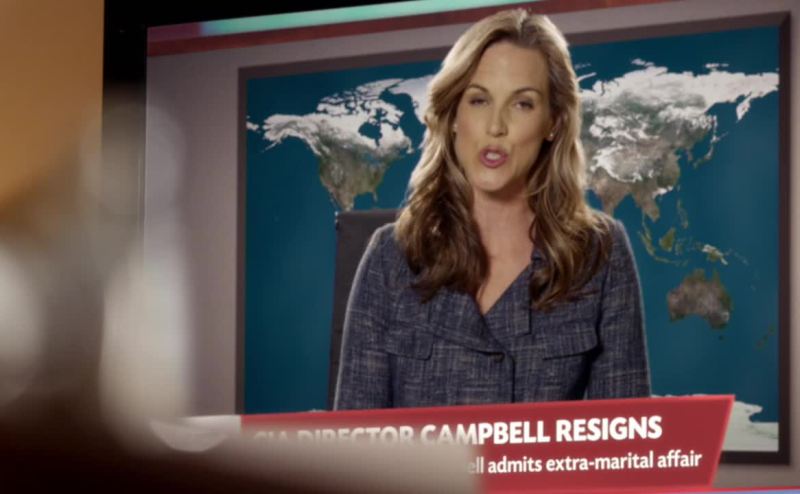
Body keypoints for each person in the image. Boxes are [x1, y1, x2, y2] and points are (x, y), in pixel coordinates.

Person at [334, 9, 649, 410]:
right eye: (479, 100)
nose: (495, 126)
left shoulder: (600, 252)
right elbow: (355, 442)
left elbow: (627, 436)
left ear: (552, 123)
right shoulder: (389, 256)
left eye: (522, 104)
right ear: (453, 115)